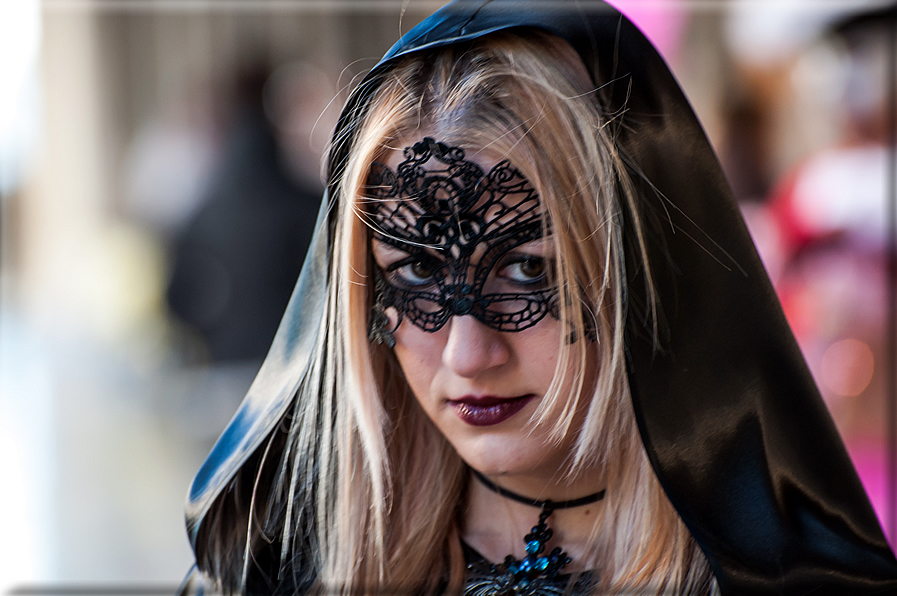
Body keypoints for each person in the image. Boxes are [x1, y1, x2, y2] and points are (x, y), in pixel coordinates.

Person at [178, 1, 897, 594]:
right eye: (418, 276)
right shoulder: (272, 571)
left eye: (527, 271)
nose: (468, 352)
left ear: (645, 272)